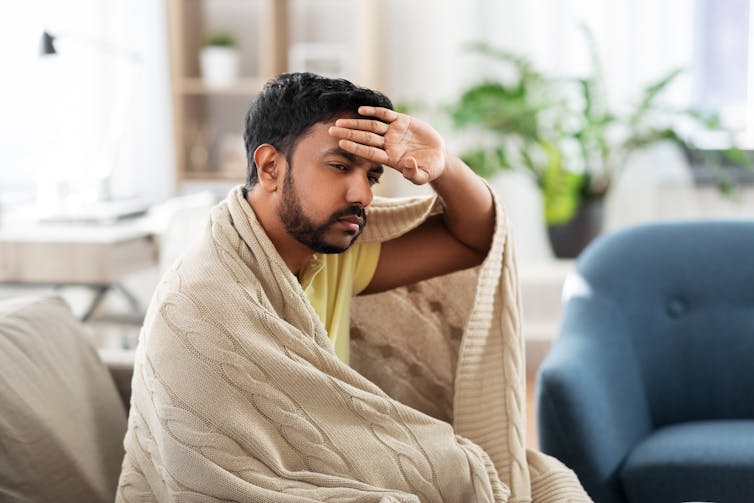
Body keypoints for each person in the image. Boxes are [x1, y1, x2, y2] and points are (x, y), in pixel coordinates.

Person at [116, 73, 589, 502]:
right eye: (340, 167)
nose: (362, 195)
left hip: (336, 476)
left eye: (372, 176)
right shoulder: (198, 300)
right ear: (270, 167)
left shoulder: (329, 254)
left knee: (549, 483)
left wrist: (443, 166)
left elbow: (474, 239)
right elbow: (212, 479)